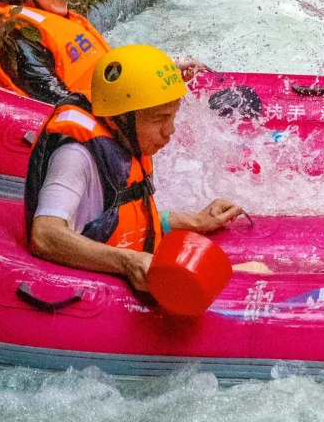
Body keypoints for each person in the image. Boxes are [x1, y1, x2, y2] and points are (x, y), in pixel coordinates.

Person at [26, 44, 241, 293]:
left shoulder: (121, 140)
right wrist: (126, 262)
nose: (169, 131)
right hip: (91, 294)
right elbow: (44, 235)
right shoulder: (75, 157)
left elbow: (118, 221)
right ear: (120, 117)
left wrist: (195, 221)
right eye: (160, 119)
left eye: (172, 117)